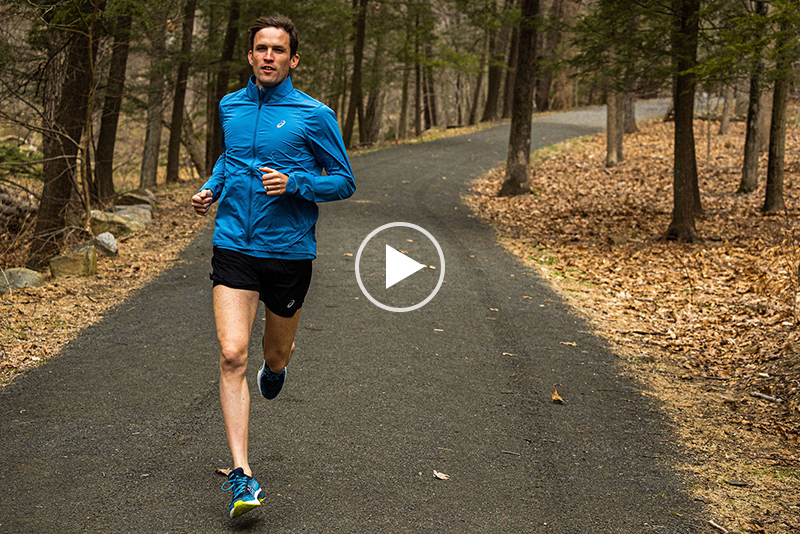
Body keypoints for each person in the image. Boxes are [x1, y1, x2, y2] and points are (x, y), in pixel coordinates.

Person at [191, 14, 355, 519]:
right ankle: (242, 476)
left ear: (293, 59)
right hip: (234, 246)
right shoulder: (231, 105)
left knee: (273, 356)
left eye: (278, 50)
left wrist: (298, 183)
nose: (268, 56)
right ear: (250, 56)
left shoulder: (314, 114)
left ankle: (278, 368)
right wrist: (211, 187)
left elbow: (344, 180)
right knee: (231, 353)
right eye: (261, 48)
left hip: (288, 253)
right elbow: (231, 157)